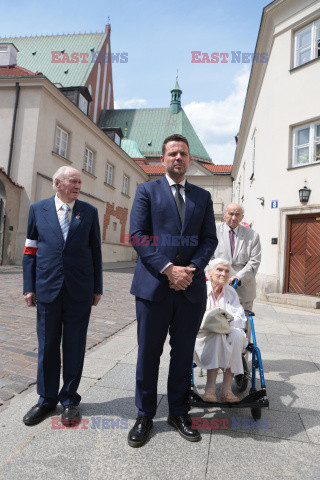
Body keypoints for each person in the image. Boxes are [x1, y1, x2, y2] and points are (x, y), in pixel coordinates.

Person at [128, 134, 217, 447]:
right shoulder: (146, 191)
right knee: (148, 354)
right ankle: (145, 414)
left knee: (182, 355)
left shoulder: (202, 197)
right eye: (172, 154)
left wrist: (190, 269)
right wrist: (168, 269)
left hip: (190, 289)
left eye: (183, 153)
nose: (178, 158)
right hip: (154, 288)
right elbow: (138, 236)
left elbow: (209, 239)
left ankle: (179, 412)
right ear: (162, 160)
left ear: (189, 159)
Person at [22, 166, 103, 427]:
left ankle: (69, 400)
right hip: (47, 288)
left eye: (80, 182)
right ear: (57, 183)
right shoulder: (37, 209)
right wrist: (28, 286)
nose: (78, 185)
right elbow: (30, 250)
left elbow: (95, 252)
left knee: (74, 345)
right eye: (73, 181)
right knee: (47, 345)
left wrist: (97, 287)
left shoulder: (88, 212)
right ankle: (46, 400)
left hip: (79, 290)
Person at [194, 258, 247, 403]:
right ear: (210, 273)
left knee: (237, 335)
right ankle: (210, 389)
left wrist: (224, 318)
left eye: (226, 271)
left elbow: (240, 318)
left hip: (228, 331)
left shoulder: (231, 292)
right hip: (204, 333)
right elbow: (193, 315)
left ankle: (226, 390)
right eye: (219, 270)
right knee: (217, 335)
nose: (223, 274)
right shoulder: (201, 289)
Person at [214, 203, 261, 311]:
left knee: (243, 324)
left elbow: (254, 261)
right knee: (218, 323)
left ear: (242, 217)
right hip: (218, 286)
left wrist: (239, 277)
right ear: (224, 215)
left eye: (237, 214)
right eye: (231, 214)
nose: (234, 218)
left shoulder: (253, 235)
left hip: (243, 288)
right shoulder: (213, 230)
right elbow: (208, 256)